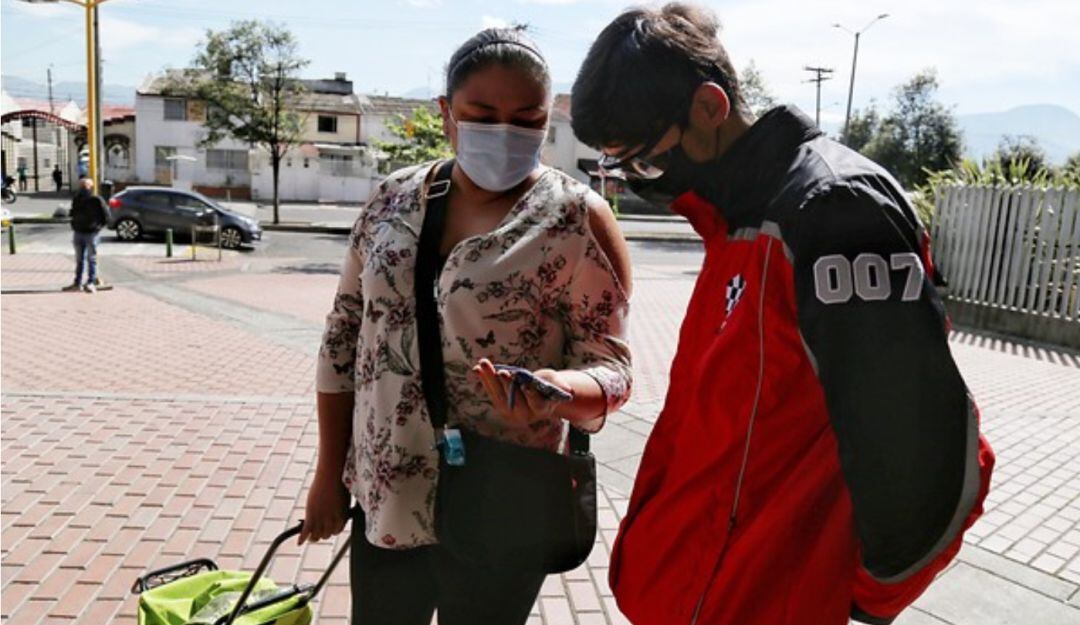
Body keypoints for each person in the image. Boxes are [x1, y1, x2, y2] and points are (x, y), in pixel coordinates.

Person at [570, 5, 994, 625]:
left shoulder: (833, 209)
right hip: (700, 594)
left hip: (765, 599)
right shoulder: (736, 213)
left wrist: (860, 599)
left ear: (710, 108)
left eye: (644, 161)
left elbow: (919, 446)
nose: (642, 180)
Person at [302, 27, 633, 625]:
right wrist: (329, 475)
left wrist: (555, 394)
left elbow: (611, 368)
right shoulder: (391, 201)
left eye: (527, 119)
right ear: (447, 114)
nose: (504, 132)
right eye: (482, 114)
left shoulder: (578, 218)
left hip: (503, 499)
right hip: (388, 493)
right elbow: (343, 338)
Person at [64, 178, 111, 293]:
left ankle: (90, 282)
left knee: (91, 259)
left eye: (85, 186)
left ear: (91, 187)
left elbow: (106, 216)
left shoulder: (96, 200)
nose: (83, 188)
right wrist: (74, 224)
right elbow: (72, 212)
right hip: (78, 232)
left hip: (91, 233)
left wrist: (97, 227)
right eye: (81, 185)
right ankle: (77, 283)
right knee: (79, 259)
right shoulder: (77, 199)